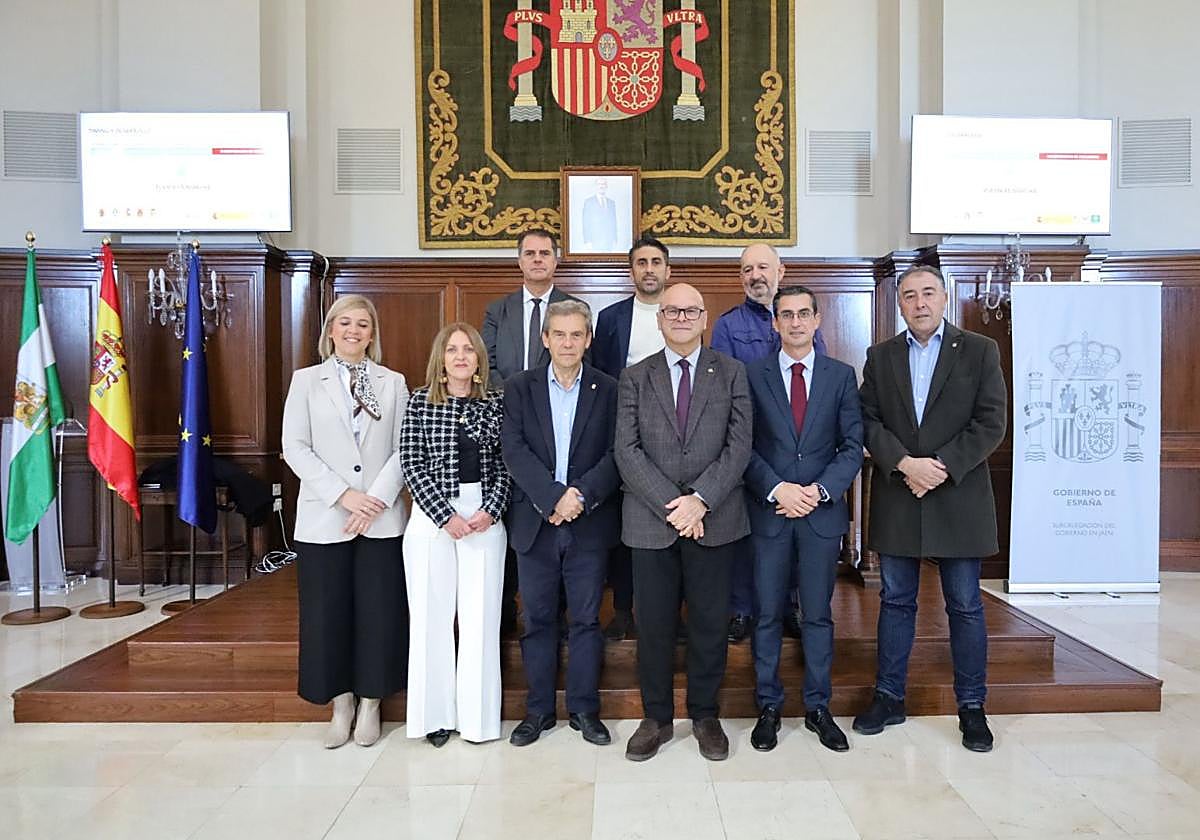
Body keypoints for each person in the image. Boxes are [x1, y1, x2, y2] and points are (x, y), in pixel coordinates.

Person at [852, 264, 1006, 753]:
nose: (919, 303)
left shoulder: (980, 350)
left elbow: (991, 422)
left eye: (928, 294)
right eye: (910, 295)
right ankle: (889, 696)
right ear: (899, 304)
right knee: (896, 601)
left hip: (957, 493)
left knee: (964, 604)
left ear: (945, 298)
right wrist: (903, 463)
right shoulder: (881, 357)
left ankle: (972, 707)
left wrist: (938, 466)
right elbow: (867, 420)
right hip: (900, 492)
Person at [615, 283, 753, 762]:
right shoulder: (634, 377)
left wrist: (701, 501)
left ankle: (705, 715)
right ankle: (655, 718)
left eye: (690, 310)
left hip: (715, 520)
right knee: (652, 625)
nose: (679, 317)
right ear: (658, 319)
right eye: (671, 310)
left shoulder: (732, 372)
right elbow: (625, 450)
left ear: (704, 317)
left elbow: (739, 446)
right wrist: (674, 505)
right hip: (651, 523)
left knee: (710, 624)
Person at [281, 294, 410, 749]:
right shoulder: (306, 381)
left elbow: (402, 447)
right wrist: (344, 496)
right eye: (345, 323)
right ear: (330, 330)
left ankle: (372, 703)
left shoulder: (392, 382)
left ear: (372, 334)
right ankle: (341, 705)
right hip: (324, 517)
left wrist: (372, 499)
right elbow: (295, 447)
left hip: (380, 517)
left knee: (379, 611)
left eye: (362, 325)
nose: (353, 331)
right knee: (326, 614)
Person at [743, 285, 863, 753]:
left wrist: (817, 491)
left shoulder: (840, 376)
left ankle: (818, 707)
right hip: (771, 512)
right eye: (785, 315)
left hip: (819, 514)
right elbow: (744, 445)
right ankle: (768, 706)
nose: (794, 322)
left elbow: (851, 445)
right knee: (768, 615)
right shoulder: (751, 375)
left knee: (817, 616)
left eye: (803, 314)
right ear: (773, 323)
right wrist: (778, 489)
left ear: (817, 320)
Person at [501, 300, 621, 747]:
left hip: (588, 522)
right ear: (545, 339)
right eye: (560, 334)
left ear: (588, 340)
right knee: (537, 619)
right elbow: (513, 448)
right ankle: (538, 712)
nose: (568, 343)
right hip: (536, 522)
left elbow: (617, 453)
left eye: (577, 335)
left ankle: (585, 711)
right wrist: (552, 497)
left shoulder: (608, 389)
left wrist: (580, 497)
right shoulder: (518, 387)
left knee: (588, 621)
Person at [401, 322, 511, 747]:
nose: (461, 356)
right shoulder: (419, 402)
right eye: (452, 350)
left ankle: (478, 721)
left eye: (469, 349)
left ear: (480, 359)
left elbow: (508, 465)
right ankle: (434, 718)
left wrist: (490, 509)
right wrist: (446, 516)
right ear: (441, 359)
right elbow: (411, 463)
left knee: (481, 622)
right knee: (431, 620)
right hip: (433, 521)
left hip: (485, 518)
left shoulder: (496, 404)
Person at [712, 244, 827, 643]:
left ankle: (787, 607)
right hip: (749, 447)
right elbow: (721, 388)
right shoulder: (728, 326)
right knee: (746, 534)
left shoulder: (803, 318)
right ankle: (742, 609)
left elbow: (820, 382)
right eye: (747, 269)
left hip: (795, 447)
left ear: (781, 269)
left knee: (795, 532)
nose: (755, 275)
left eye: (762, 266)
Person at [481, 228, 586, 634]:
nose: (538, 259)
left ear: (556, 261)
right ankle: (508, 611)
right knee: (512, 522)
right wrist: (520, 400)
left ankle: (553, 612)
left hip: (557, 429)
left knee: (555, 524)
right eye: (530, 253)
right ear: (519, 260)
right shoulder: (499, 310)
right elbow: (485, 364)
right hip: (506, 424)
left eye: (545, 253)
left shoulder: (572, 309)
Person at [591, 235, 670, 640]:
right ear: (632, 271)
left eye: (656, 261)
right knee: (627, 521)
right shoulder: (611, 318)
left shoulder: (680, 312)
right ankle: (623, 609)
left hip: (676, 433)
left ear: (667, 270)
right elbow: (602, 376)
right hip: (626, 430)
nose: (649, 269)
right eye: (641, 262)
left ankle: (673, 613)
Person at [580, 177, 619, 252]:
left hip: (609, 242)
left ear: (606, 186)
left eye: (604, 184)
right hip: (594, 241)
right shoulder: (589, 202)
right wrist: (587, 241)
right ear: (596, 186)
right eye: (599, 184)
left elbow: (614, 222)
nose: (602, 186)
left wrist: (615, 239)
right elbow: (586, 223)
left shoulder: (611, 203)